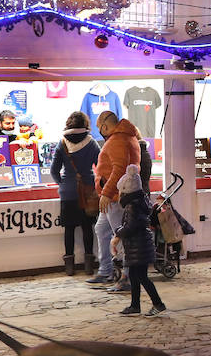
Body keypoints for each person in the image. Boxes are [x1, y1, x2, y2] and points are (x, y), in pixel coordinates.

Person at [86, 111, 141, 289]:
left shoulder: (118, 139)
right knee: (101, 229)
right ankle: (106, 271)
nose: (98, 129)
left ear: (104, 125)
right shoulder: (125, 136)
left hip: (115, 197)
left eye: (98, 126)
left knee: (122, 236)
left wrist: (106, 193)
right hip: (114, 196)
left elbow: (119, 170)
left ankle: (126, 277)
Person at [111, 164, 167, 316]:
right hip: (138, 246)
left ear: (125, 191)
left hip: (138, 247)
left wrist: (117, 233)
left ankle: (158, 303)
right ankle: (135, 305)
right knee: (135, 276)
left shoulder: (132, 206)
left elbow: (131, 227)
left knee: (141, 277)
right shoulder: (140, 201)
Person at [50, 111, 100, 275]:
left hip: (68, 192)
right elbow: (100, 166)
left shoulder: (62, 142)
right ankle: (88, 265)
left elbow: (54, 170)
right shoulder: (91, 143)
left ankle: (69, 266)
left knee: (69, 229)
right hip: (87, 191)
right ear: (85, 124)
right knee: (87, 228)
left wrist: (63, 184)